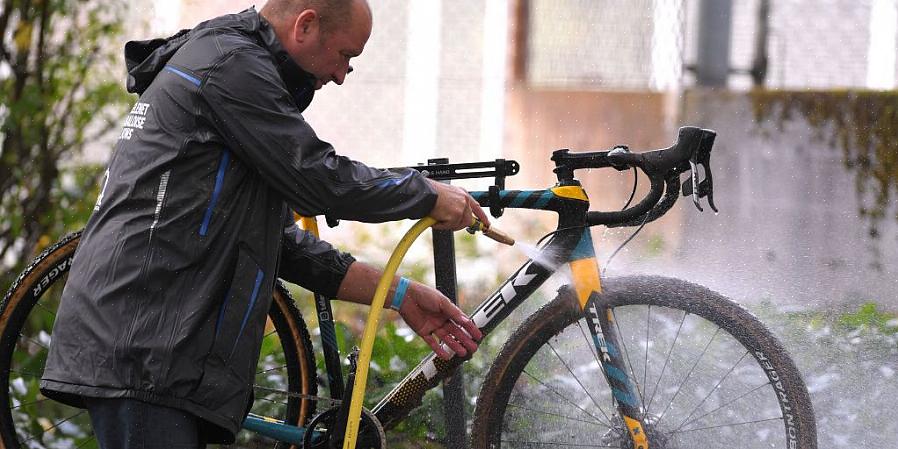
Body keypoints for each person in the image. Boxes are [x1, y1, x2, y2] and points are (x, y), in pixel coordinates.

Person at [40, 0, 486, 447]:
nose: (341, 75)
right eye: (345, 56)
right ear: (305, 25)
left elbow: (279, 245)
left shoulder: (238, 67)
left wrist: (401, 295)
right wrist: (424, 193)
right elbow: (318, 178)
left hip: (158, 355)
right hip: (142, 352)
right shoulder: (232, 68)